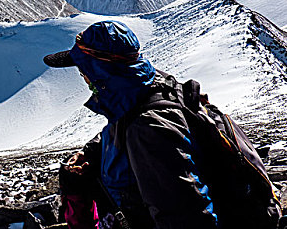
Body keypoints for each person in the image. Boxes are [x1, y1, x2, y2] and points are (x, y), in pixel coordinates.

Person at [43, 20, 219, 229]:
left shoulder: (148, 129)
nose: (83, 78)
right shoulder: (147, 92)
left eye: (84, 69)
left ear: (100, 72)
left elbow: (186, 219)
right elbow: (123, 127)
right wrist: (93, 152)